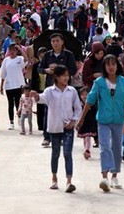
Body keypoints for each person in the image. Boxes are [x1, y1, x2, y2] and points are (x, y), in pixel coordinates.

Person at [77, 55, 124, 192]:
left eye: (113, 64)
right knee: (105, 147)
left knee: (117, 147)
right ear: (104, 67)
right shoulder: (99, 82)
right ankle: (104, 176)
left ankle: (114, 176)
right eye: (108, 64)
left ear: (117, 66)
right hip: (103, 120)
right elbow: (90, 100)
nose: (111, 67)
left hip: (118, 120)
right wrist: (81, 119)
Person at [30, 65, 82, 193]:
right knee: (55, 153)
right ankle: (54, 178)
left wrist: (74, 121)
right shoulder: (50, 91)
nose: (66, 78)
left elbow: (78, 107)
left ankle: (69, 181)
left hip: (68, 127)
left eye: (67, 75)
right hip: (54, 127)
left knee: (68, 154)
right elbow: (41, 99)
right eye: (63, 75)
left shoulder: (72, 91)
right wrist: (35, 96)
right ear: (56, 77)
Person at [38, 33, 78, 147]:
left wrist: (59, 69)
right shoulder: (47, 55)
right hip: (51, 88)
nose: (55, 43)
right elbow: (40, 68)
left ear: (62, 42)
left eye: (57, 41)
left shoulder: (68, 55)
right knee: (48, 112)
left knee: (64, 112)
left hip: (65, 89)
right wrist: (46, 70)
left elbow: (73, 70)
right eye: (53, 41)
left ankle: (62, 136)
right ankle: (47, 137)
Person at [0, 43, 28, 130]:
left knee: (18, 103)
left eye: (14, 50)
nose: (12, 52)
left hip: (18, 85)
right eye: (10, 50)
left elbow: (26, 60)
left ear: (16, 51)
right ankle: (11, 122)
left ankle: (19, 116)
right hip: (9, 85)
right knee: (10, 103)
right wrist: (1, 86)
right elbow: (3, 73)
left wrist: (20, 49)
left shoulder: (20, 59)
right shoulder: (6, 60)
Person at [77, 87, 97, 160]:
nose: (84, 96)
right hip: (82, 124)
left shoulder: (92, 104)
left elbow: (95, 113)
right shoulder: (79, 104)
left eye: (86, 94)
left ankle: (87, 150)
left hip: (90, 124)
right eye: (82, 95)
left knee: (88, 137)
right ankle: (86, 148)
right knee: (84, 138)